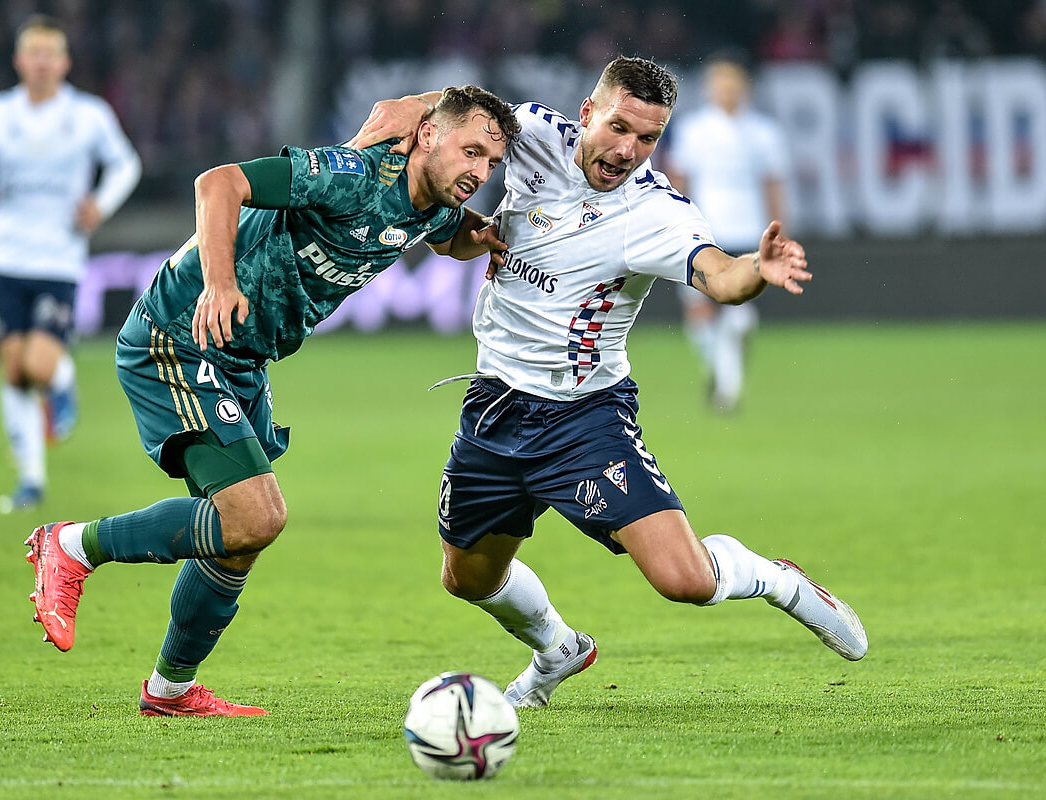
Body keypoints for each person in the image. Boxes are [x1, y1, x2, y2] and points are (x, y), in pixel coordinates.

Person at [347, 56, 867, 708]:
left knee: (684, 581)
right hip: (494, 401)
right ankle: (557, 648)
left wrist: (756, 270)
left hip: (583, 416)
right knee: (468, 578)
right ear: (587, 114)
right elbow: (461, 120)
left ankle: (778, 580)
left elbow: (722, 277)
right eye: (619, 127)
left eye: (647, 138)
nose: (627, 149)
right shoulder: (533, 132)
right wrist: (418, 102)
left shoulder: (656, 215)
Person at [24, 85, 521, 716]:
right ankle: (71, 547)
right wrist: (220, 283)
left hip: (242, 361)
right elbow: (217, 184)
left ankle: (170, 690)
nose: (478, 172)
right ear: (427, 134)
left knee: (239, 537)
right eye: (469, 150)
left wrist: (486, 239)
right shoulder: (350, 174)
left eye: (491, 163)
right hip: (181, 337)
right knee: (255, 516)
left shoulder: (429, 203)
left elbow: (446, 237)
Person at [0, 15, 142, 513]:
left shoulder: (87, 114)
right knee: (13, 372)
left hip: (57, 259)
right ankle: (31, 481)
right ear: (19, 61)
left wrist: (101, 203)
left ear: (65, 62)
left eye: (51, 52)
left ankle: (64, 377)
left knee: (38, 366)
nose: (42, 61)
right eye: (34, 52)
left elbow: (126, 163)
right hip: (1, 255)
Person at [665, 55, 790, 413]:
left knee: (740, 318)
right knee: (700, 314)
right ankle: (721, 375)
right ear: (711, 90)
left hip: (749, 231)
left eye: (733, 86)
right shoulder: (694, 130)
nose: (727, 92)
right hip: (705, 230)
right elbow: (679, 182)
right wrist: (674, 225)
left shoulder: (764, 133)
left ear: (744, 89)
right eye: (721, 86)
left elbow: (773, 186)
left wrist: (780, 231)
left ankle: (726, 388)